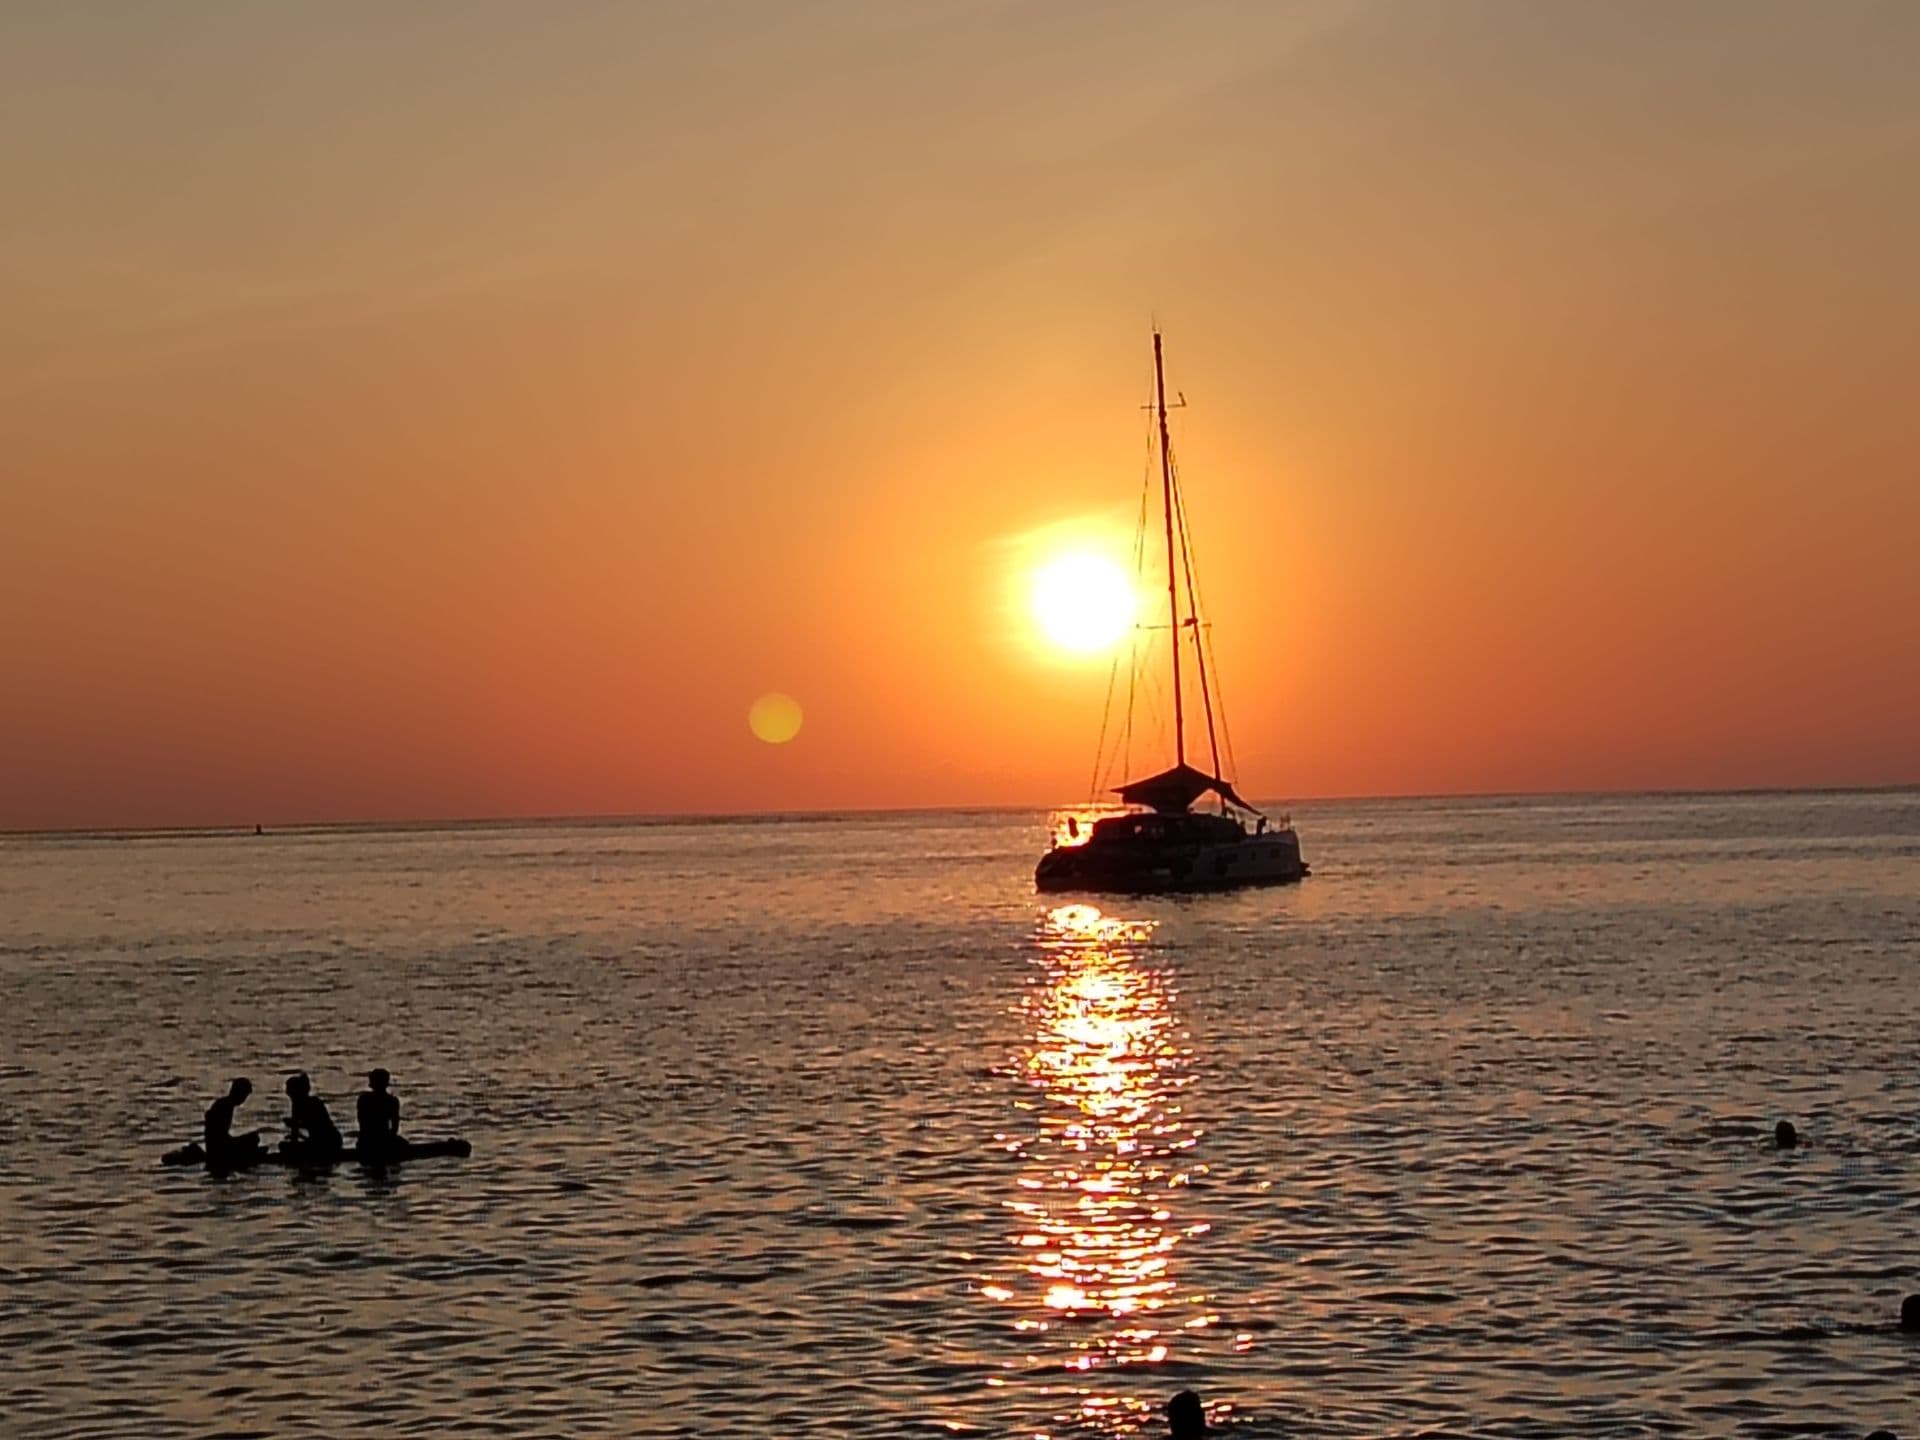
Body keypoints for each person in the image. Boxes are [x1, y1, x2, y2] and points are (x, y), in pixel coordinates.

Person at [283, 1072, 344, 1160]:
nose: (288, 1094)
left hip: (329, 1141)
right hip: (315, 1141)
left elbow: (318, 1126)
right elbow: (295, 1133)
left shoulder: (314, 1103)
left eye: (289, 1091)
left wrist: (295, 1124)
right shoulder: (296, 1105)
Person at [204, 1078, 260, 1165]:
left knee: (252, 1138)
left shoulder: (225, 1104)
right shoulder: (224, 1106)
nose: (244, 1099)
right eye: (244, 1095)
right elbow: (218, 1135)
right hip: (217, 1147)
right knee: (253, 1139)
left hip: (218, 1144)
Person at [356, 1068, 403, 1159]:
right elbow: (394, 1126)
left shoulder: (364, 1099)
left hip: (366, 1140)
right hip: (380, 1140)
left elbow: (361, 1122)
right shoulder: (392, 1101)